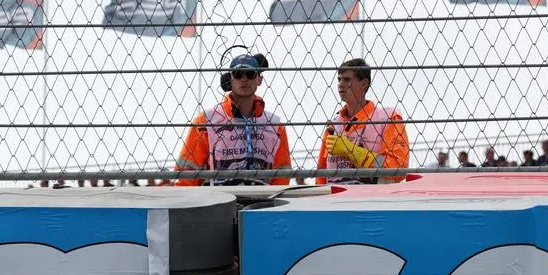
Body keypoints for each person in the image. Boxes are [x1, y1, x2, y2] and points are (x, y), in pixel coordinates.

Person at [175, 52, 292, 186]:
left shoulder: (275, 125)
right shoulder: (205, 121)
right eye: (238, 74)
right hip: (218, 203)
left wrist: (271, 203)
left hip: (262, 202)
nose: (244, 79)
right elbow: (187, 174)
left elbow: (283, 174)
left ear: (259, 80)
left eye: (250, 74)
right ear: (229, 79)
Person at [316, 58, 409, 184]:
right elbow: (322, 174)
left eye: (347, 79)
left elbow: (399, 168)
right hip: (336, 202)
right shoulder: (334, 125)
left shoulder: (389, 119)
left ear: (364, 83)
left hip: (375, 201)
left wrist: (351, 150)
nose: (341, 84)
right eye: (339, 79)